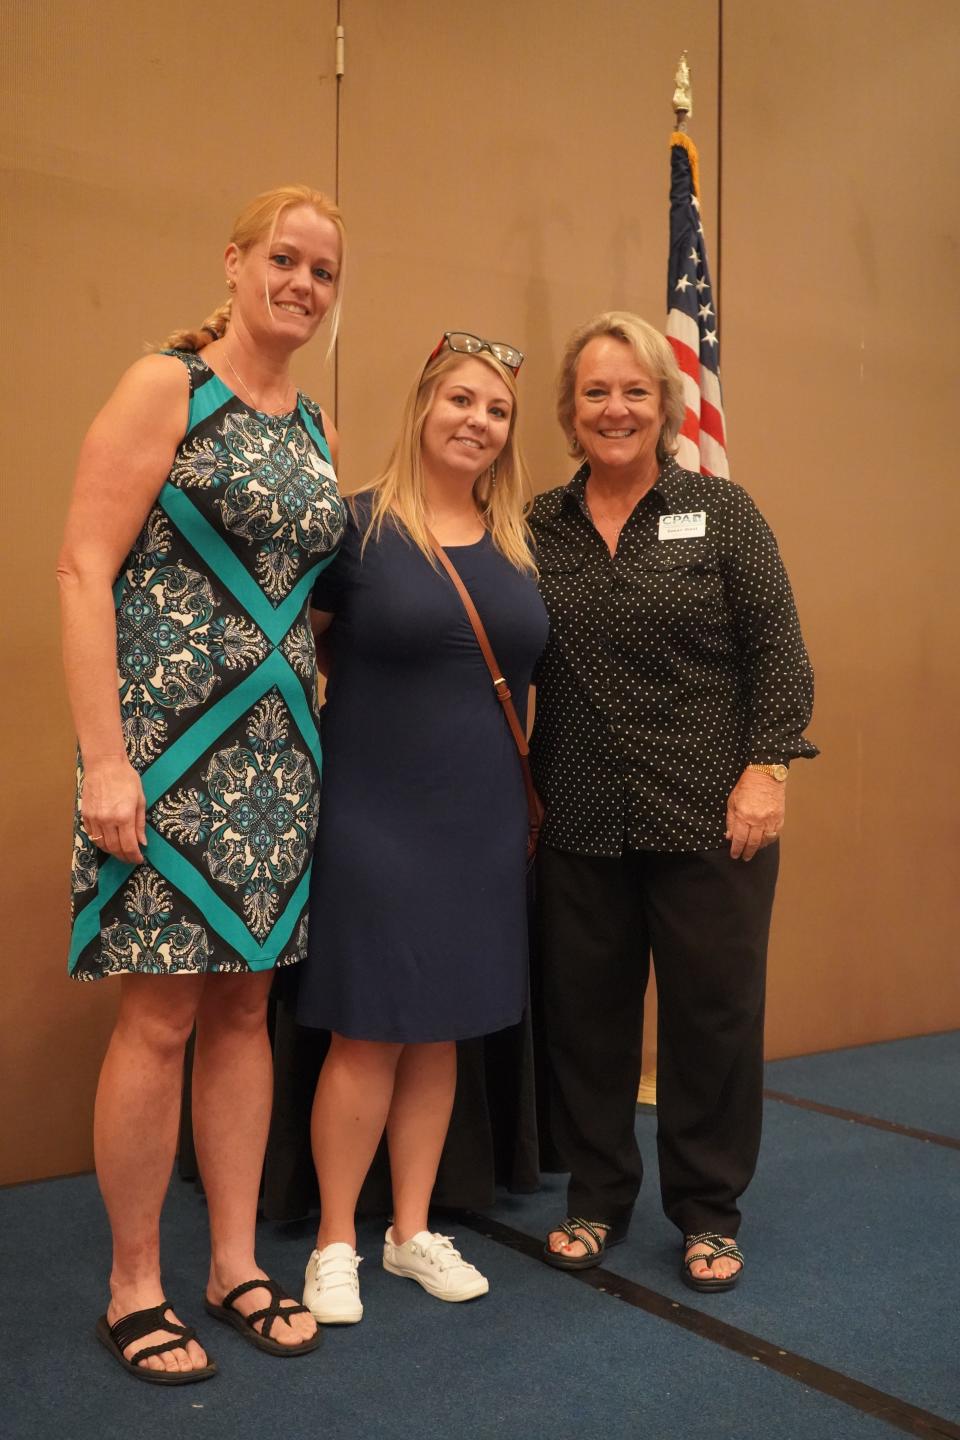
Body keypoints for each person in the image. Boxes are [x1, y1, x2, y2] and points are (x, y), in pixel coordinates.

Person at [58, 184, 347, 1381]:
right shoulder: (163, 386)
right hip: (165, 752)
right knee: (162, 1013)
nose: (303, 284)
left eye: (325, 272)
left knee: (243, 1010)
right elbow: (82, 566)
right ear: (232, 264)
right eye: (284, 259)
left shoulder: (317, 425)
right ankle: (136, 1282)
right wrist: (105, 761)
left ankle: (233, 1263)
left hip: (278, 764)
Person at [529, 311, 817, 1291]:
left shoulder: (723, 514)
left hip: (712, 818)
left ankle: (707, 1211)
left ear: (666, 405)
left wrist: (766, 770)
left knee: (713, 1020)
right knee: (586, 1020)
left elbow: (779, 651)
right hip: (576, 818)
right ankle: (596, 1198)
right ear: (571, 412)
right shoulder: (534, 526)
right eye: (596, 392)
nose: (616, 408)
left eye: (635, 391)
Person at [296, 331, 548, 1323]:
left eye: (496, 410)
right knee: (367, 1032)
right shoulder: (353, 530)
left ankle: (408, 1234)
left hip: (481, 824)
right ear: (423, 406)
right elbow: (292, 657)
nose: (477, 421)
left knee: (440, 1031)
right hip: (374, 815)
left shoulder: (522, 542)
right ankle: (333, 1243)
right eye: (461, 401)